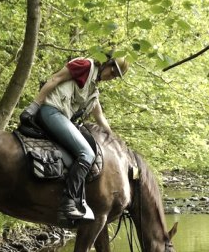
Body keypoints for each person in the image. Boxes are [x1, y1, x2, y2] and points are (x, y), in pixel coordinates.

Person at [20, 56, 129, 221]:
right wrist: (34, 106)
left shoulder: (93, 90)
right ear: (106, 64)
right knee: (87, 154)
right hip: (51, 110)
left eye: (114, 76)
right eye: (112, 71)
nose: (111, 77)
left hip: (61, 116)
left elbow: (100, 118)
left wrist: (116, 142)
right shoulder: (84, 66)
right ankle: (68, 203)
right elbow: (55, 79)